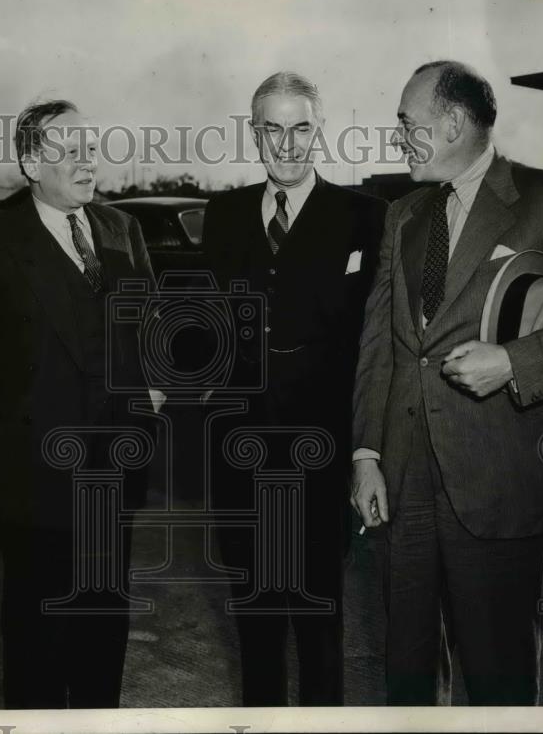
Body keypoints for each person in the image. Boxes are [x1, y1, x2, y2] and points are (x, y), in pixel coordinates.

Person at [350, 60, 543, 705]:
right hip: (406, 480)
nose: (398, 137)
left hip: (502, 476)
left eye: (407, 123)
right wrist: (367, 453)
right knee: (407, 672)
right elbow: (382, 347)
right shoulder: (402, 215)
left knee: (497, 676)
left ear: (452, 123)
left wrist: (514, 362)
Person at [0, 99, 158, 708]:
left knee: (104, 626)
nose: (84, 160)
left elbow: (147, 327)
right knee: (37, 636)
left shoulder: (123, 229)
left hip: (116, 470)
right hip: (34, 477)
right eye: (65, 150)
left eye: (88, 147)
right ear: (29, 164)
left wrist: (154, 390)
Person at [202, 71, 386, 705]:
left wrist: (367, 453)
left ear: (320, 129)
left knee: (318, 617)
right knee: (253, 615)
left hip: (323, 449)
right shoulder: (223, 215)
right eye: (272, 129)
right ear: (255, 134)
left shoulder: (366, 217)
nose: (287, 144)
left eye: (301, 127)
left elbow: (377, 346)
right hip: (238, 451)